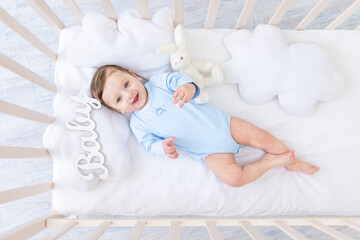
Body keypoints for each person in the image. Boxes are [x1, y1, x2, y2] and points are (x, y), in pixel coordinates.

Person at [91, 65, 319, 187]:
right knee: (234, 179)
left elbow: (182, 80)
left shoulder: (159, 83)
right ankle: (270, 162)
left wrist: (188, 89)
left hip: (225, 125)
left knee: (265, 138)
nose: (128, 95)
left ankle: (292, 162)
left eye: (126, 84)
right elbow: (149, 145)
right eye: (119, 99)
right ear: (117, 111)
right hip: (209, 152)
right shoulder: (139, 124)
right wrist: (163, 148)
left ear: (134, 75)